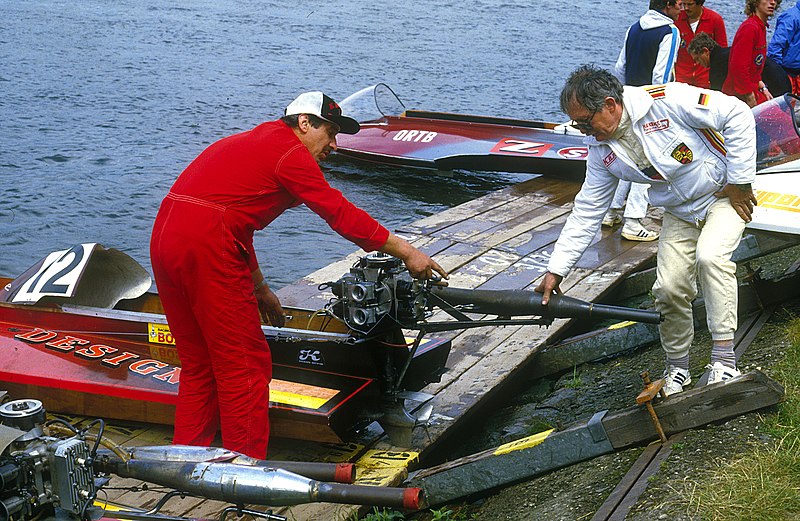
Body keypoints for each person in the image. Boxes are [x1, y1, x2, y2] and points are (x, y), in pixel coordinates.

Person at [150, 91, 448, 459]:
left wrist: (258, 286)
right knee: (244, 366)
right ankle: (241, 471)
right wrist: (407, 251)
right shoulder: (289, 150)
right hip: (207, 244)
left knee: (199, 364)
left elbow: (232, 222)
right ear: (304, 123)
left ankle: (184, 460)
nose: (334, 145)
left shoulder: (254, 141)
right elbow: (338, 213)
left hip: (167, 236)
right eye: (330, 132)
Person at [537, 65, 758, 396]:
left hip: (723, 196)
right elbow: (587, 210)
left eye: (586, 123)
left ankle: (724, 361)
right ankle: (678, 368)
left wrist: (740, 181)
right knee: (668, 287)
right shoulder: (601, 149)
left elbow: (738, 114)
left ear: (610, 105)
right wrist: (556, 269)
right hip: (678, 211)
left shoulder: (668, 99)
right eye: (577, 125)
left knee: (710, 259)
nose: (585, 132)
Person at [605, 0, 683, 241]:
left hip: (627, 98)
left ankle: (611, 211)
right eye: (679, 3)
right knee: (649, 160)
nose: (682, 8)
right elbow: (663, 74)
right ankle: (633, 220)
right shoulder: (670, 31)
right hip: (649, 104)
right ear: (667, 5)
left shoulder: (634, 28)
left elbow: (620, 68)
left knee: (628, 156)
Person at [688, 32, 791, 95]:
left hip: (774, 86)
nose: (697, 63)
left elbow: (718, 100)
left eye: (697, 58)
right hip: (783, 80)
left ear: (705, 51)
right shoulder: (728, 52)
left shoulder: (717, 65)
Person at [723, 0, 781, 108]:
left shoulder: (761, 27)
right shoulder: (750, 28)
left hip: (753, 88)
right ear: (755, 2)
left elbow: (755, 66)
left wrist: (762, 87)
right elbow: (738, 67)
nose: (773, 3)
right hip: (739, 94)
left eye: (775, 0)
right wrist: (749, 96)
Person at [674, 0, 728, 88]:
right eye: (684, 4)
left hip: (706, 80)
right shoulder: (677, 19)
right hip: (682, 79)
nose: (686, 8)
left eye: (690, 4)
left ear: (700, 3)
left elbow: (722, 52)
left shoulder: (715, 19)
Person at [768, 0, 800, 94]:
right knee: (784, 106)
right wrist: (778, 74)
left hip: (796, 73)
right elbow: (775, 47)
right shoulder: (791, 17)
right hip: (786, 73)